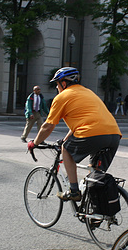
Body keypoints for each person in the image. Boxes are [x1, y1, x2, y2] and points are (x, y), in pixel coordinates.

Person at [27, 67, 122, 201]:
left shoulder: (62, 97)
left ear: (64, 83)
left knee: (66, 149)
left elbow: (47, 126)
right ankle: (95, 213)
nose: (56, 87)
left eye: (57, 83)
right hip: (114, 135)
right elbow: (81, 123)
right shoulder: (89, 93)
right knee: (96, 175)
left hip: (92, 134)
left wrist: (34, 143)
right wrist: (65, 139)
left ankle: (74, 191)